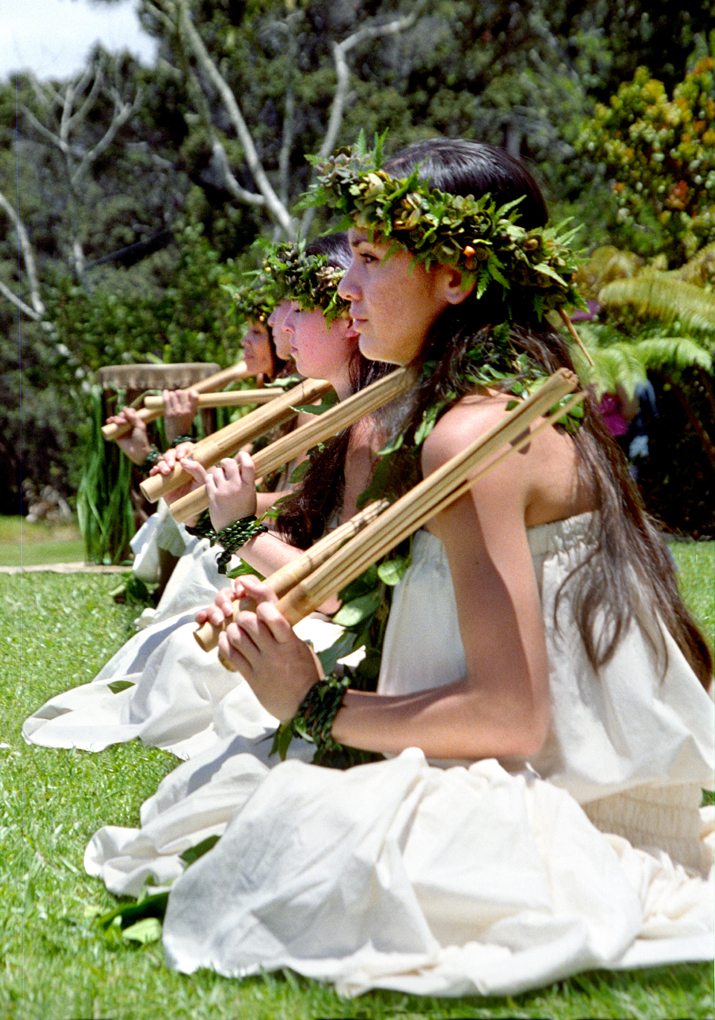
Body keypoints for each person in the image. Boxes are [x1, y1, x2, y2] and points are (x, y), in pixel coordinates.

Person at [85, 140, 713, 997]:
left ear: (456, 278)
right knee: (243, 785)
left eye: (371, 260)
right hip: (583, 776)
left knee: (292, 829)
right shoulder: (490, 398)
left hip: (560, 792)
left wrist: (310, 700)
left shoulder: (473, 435)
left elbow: (508, 718)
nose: (344, 289)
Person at [23, 236, 388, 760]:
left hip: (340, 629)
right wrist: (194, 485)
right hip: (306, 587)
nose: (281, 324)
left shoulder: (364, 429)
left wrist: (236, 526)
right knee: (180, 642)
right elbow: (299, 505)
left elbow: (343, 588)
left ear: (351, 320)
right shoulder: (337, 411)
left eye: (298, 307)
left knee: (194, 648)